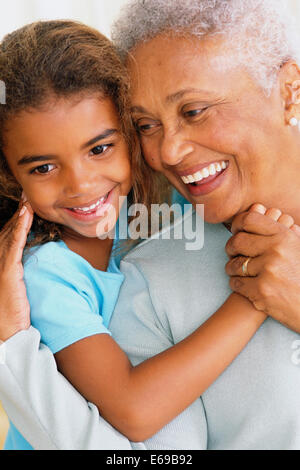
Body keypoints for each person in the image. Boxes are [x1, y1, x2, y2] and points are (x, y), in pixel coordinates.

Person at [0, 0, 300, 450]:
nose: (170, 151)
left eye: (195, 110)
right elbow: (139, 432)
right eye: (146, 124)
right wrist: (255, 290)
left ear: (289, 89)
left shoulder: (160, 213)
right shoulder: (121, 271)